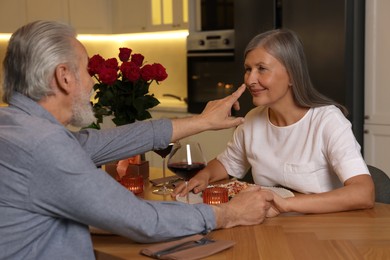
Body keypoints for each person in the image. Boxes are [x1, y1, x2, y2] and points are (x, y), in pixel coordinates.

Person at [0, 20, 274, 259]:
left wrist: (201, 122)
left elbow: (104, 142)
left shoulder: (16, 127)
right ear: (64, 77)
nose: (92, 82)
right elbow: (141, 220)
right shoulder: (44, 145)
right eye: (86, 71)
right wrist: (230, 214)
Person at [173, 29, 375, 216]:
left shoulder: (327, 121)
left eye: (262, 69)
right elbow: (227, 163)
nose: (250, 80)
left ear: (292, 76)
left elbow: (363, 193)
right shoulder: (252, 119)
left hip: (322, 230)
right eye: (248, 69)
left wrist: (285, 204)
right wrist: (204, 175)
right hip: (271, 224)